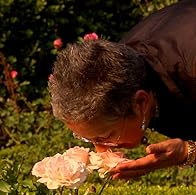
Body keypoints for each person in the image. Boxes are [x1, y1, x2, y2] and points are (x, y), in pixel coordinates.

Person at [48, 0, 196, 180]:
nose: (101, 150)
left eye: (105, 136)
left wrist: (189, 152)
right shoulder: (121, 65)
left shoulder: (190, 63)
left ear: (141, 103)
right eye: (88, 139)